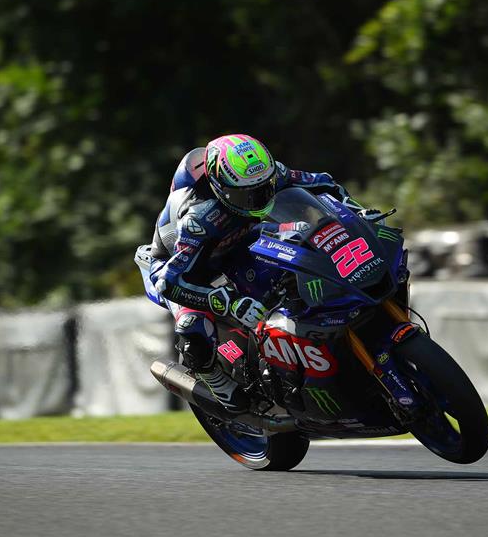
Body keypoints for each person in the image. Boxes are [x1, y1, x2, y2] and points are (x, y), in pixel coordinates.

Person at [136, 133, 379, 412]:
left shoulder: (271, 173)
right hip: (180, 265)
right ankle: (216, 382)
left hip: (241, 237)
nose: (259, 199)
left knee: (299, 250)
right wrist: (230, 302)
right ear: (220, 188)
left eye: (264, 188)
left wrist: (355, 212)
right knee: (192, 328)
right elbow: (170, 283)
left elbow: (323, 182)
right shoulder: (198, 220)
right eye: (246, 194)